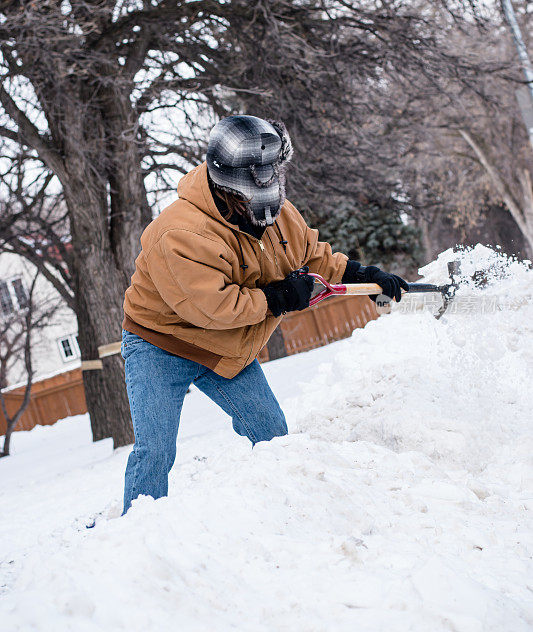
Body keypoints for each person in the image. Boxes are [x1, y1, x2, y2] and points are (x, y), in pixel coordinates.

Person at [121, 115, 407, 513]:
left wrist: (364, 274)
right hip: (160, 346)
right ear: (229, 181)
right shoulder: (180, 234)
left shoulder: (274, 209)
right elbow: (214, 308)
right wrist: (278, 298)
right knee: (156, 452)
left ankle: (286, 514)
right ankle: (137, 534)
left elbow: (311, 255)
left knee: (273, 434)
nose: (268, 193)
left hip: (224, 346)